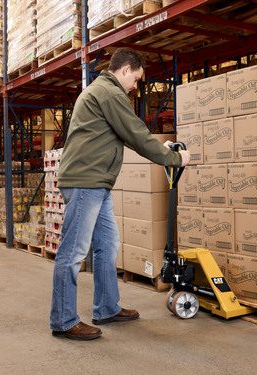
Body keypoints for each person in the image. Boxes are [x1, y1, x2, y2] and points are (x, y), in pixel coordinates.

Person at [50, 47, 191, 341]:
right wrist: (176, 159)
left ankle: (106, 307)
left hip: (96, 182)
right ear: (125, 70)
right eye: (137, 80)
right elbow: (135, 134)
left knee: (108, 243)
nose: (136, 87)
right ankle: (63, 321)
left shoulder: (101, 92)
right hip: (86, 181)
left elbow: (126, 134)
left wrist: (160, 149)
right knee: (74, 251)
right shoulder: (109, 92)